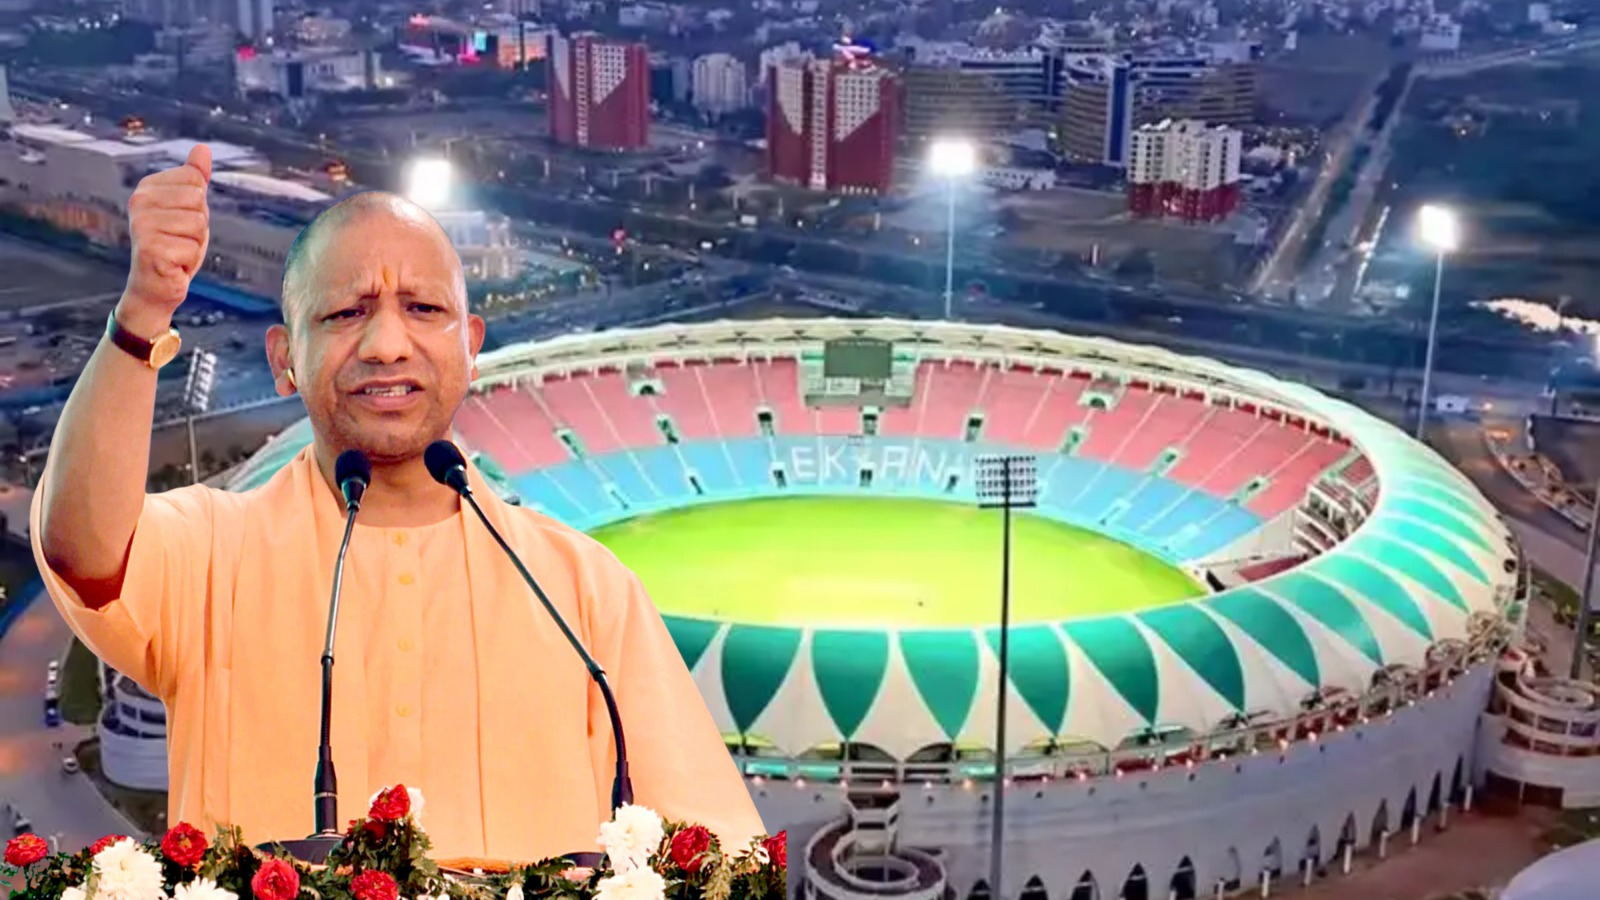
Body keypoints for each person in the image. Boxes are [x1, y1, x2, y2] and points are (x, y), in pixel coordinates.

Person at [31, 145, 767, 863]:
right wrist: (142, 315)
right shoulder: (211, 555)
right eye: (346, 313)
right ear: (284, 359)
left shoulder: (583, 591)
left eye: (422, 307)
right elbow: (84, 547)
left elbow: (720, 852)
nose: (387, 344)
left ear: (471, 348)